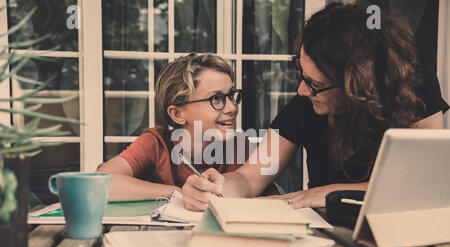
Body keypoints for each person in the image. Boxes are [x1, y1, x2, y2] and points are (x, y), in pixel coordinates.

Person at [181, 3, 448, 211]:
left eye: (315, 83)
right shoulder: (305, 105)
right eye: (301, 74)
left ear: (358, 86)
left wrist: (329, 192)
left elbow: (425, 183)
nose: (301, 90)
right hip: (324, 241)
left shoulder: (415, 90)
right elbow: (250, 178)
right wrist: (215, 189)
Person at [97, 53, 249, 201]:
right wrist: (180, 193)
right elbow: (101, 183)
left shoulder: (240, 146)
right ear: (177, 114)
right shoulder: (157, 144)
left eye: (231, 95)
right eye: (216, 98)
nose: (232, 107)